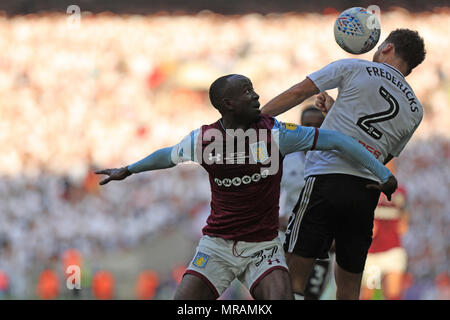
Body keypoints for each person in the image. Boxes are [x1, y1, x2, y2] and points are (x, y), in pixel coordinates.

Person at [96, 74, 397, 300]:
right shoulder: (204, 141)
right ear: (228, 104)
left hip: (263, 248)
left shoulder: (277, 133)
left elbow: (337, 140)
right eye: (247, 92)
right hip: (217, 246)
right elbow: (167, 155)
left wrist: (381, 172)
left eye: (253, 89)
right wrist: (130, 169)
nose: (256, 96)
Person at [261, 28, 426, 300]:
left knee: (293, 281)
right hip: (365, 195)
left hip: (326, 180)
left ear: (386, 48)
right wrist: (335, 113)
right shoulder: (415, 109)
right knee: (349, 290)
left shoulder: (354, 67)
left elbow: (299, 92)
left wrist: (255, 120)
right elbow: (380, 154)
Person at [279, 106, 334, 300]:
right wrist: (277, 219)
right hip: (286, 238)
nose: (313, 130)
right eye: (308, 125)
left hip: (321, 240)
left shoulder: (334, 160)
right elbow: (269, 197)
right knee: (284, 291)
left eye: (318, 125)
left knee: (311, 294)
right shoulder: (286, 159)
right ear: (301, 126)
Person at [361, 160, 410, 300]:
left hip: (393, 251)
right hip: (372, 255)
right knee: (368, 295)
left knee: (393, 295)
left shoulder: (400, 192)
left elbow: (404, 224)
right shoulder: (369, 189)